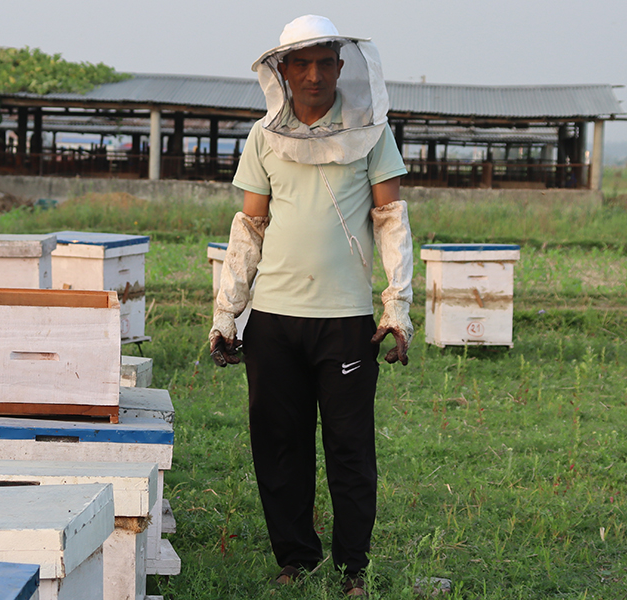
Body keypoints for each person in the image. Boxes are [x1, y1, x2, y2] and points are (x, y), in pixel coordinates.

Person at [208, 15, 414, 597]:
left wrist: (396, 306)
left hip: (346, 323)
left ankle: (353, 568)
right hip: (272, 322)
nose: (315, 74)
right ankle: (296, 557)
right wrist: (228, 313)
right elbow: (249, 227)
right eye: (302, 63)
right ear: (283, 70)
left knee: (349, 449)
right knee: (279, 445)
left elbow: (391, 220)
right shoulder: (262, 137)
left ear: (342, 67)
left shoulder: (372, 132)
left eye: (325, 62)